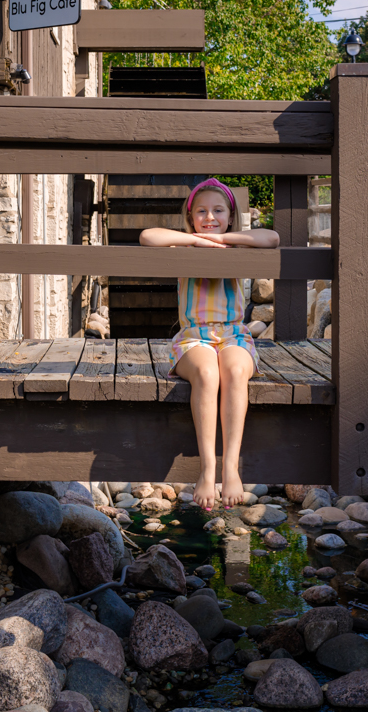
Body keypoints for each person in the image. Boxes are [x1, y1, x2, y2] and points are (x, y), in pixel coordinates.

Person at [139, 178, 280, 511]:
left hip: (234, 334)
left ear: (230, 216)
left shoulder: (236, 246)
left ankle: (231, 467)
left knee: (232, 369)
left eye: (218, 210)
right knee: (206, 372)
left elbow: (271, 237)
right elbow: (148, 237)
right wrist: (196, 239)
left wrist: (221, 238)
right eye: (200, 212)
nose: (209, 217)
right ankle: (208, 468)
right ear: (190, 218)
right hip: (194, 336)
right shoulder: (185, 247)